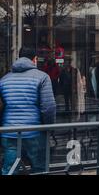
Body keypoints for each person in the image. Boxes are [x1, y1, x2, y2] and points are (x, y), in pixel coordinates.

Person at [0, 47, 56, 175]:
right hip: (34, 133)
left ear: (18, 58)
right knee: (39, 169)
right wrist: (49, 128)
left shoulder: (4, 79)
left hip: (9, 133)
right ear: (35, 59)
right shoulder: (42, 77)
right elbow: (49, 107)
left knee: (9, 170)